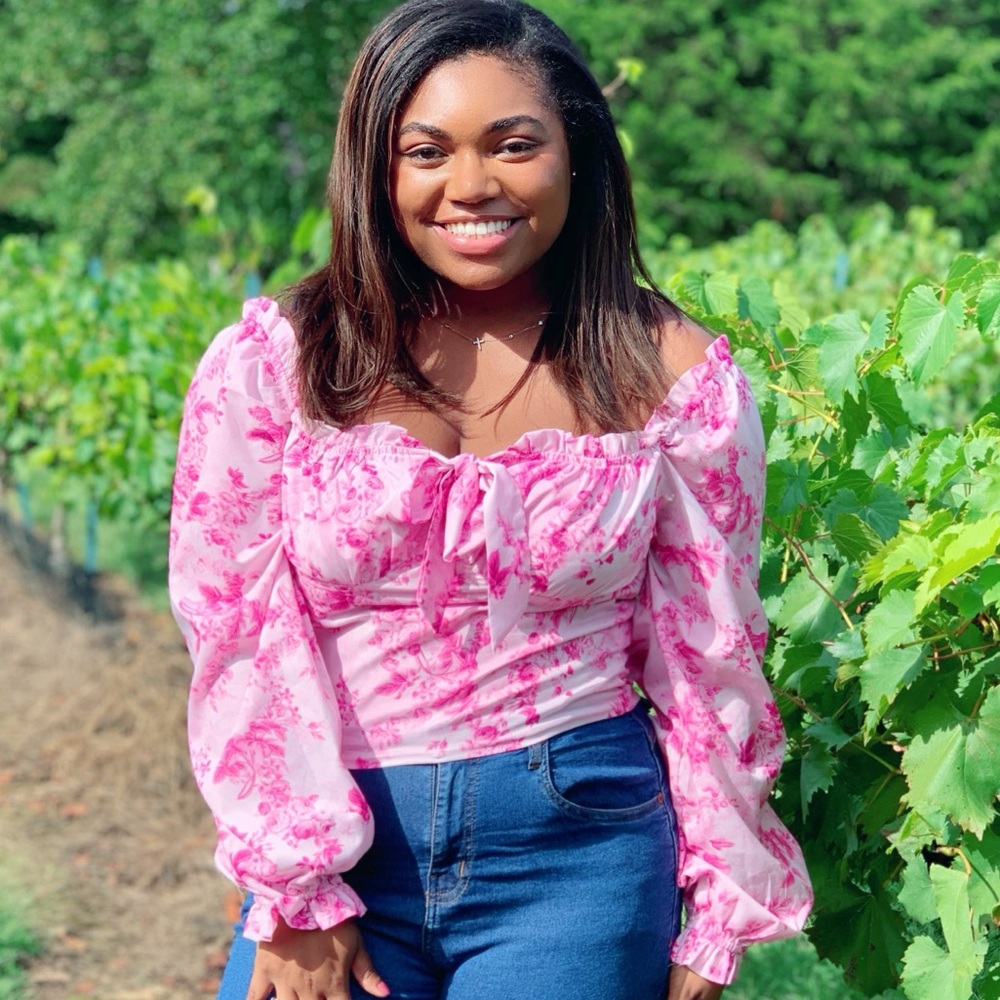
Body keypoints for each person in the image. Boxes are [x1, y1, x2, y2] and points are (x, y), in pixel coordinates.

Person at [168, 1, 813, 998]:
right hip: (340, 850)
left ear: (576, 155)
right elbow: (235, 628)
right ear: (375, 169)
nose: (470, 186)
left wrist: (723, 900)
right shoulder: (275, 365)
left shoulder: (671, 377)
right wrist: (296, 885)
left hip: (580, 862)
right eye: (425, 151)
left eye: (514, 145)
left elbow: (710, 650)